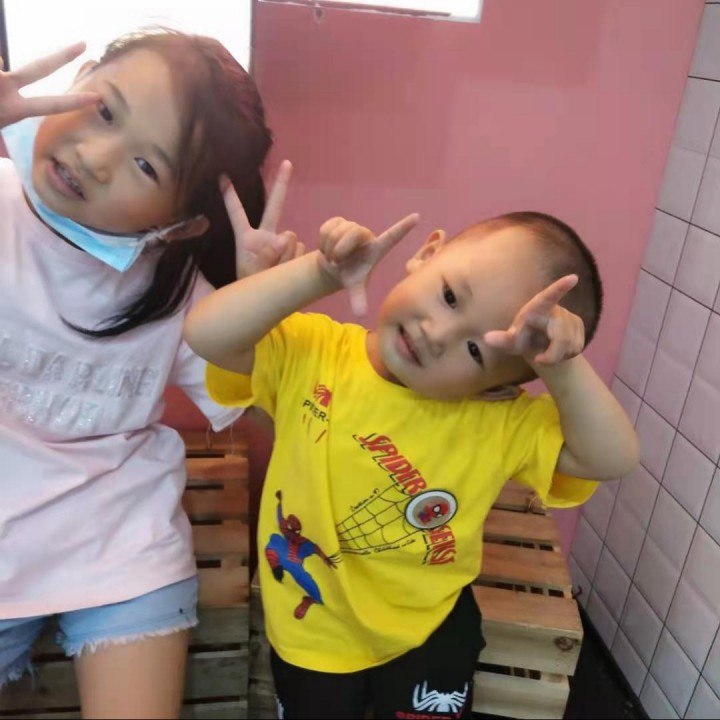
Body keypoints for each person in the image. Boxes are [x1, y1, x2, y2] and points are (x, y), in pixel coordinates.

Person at [185, 198, 639, 719]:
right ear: (427, 254)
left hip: (430, 630)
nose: (438, 334)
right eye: (450, 296)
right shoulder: (312, 350)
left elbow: (612, 458)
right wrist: (318, 273)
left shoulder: (501, 420)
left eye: (477, 352)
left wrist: (563, 368)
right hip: (313, 634)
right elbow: (205, 334)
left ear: (497, 388)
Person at [0, 32, 299, 718]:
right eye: (105, 110)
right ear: (82, 75)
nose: (95, 157)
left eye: (145, 164)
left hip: (122, 544)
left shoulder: (181, 297)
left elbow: (273, 403)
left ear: (183, 224)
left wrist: (260, 308)